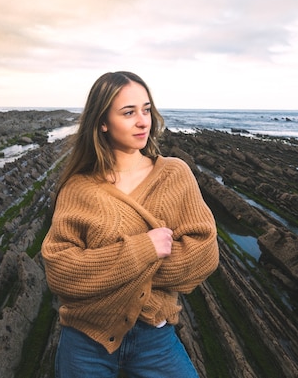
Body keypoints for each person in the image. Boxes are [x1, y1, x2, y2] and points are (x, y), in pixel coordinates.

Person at [41, 71, 219, 378]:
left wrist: (103, 270)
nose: (143, 121)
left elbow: (203, 255)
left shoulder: (174, 175)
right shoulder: (78, 188)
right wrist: (143, 250)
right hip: (85, 341)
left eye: (146, 110)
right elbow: (61, 272)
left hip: (155, 338)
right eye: (128, 112)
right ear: (102, 122)